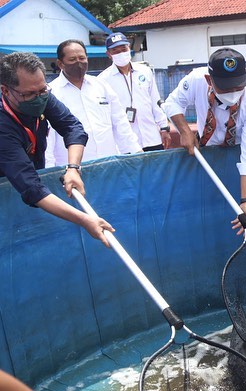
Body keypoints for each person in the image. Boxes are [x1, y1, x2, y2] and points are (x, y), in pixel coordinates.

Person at [0, 52, 113, 245]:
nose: (38, 98)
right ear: (5, 90)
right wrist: (85, 220)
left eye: (43, 90)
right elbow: (31, 188)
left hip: (32, 178)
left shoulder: (41, 96)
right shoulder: (3, 125)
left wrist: (73, 168)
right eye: (29, 94)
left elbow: (73, 128)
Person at [162, 48, 246, 226]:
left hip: (237, 148)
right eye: (226, 88)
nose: (233, 92)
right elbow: (172, 103)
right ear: (209, 80)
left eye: (239, 86)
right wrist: (185, 131)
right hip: (206, 149)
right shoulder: (196, 79)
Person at [46, 40, 142, 167]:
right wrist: (50, 171)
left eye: (82, 58)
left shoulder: (101, 85)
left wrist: (136, 152)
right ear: (60, 63)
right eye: (72, 59)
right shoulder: (52, 93)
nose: (78, 63)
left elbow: (120, 123)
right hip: (73, 170)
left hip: (109, 164)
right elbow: (48, 139)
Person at [98, 32, 171, 151]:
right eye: (115, 51)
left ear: (129, 48)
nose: (121, 53)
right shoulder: (103, 80)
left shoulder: (145, 71)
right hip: (125, 144)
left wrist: (164, 127)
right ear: (109, 54)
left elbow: (155, 101)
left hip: (151, 138)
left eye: (123, 49)